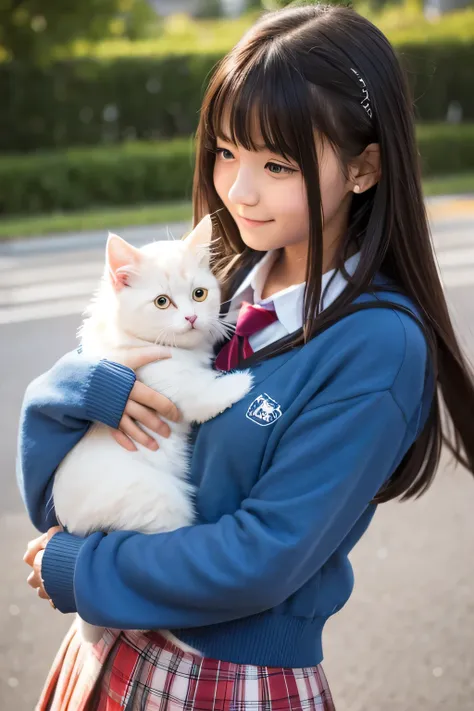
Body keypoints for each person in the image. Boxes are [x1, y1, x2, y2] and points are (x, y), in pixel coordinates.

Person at [18, 3, 474, 710]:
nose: (238, 189)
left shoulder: (377, 347)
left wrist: (83, 568)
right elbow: (51, 481)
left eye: (276, 163)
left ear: (364, 169)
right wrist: (86, 385)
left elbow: (262, 558)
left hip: (221, 680)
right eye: (226, 151)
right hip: (108, 645)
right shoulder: (216, 285)